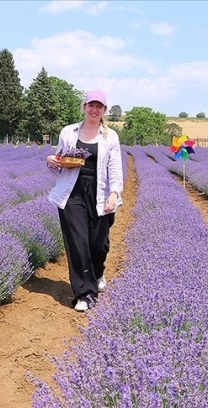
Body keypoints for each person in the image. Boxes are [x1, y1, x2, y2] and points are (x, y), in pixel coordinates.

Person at [47, 90, 124, 312]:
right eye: (91, 105)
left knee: (98, 244)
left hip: (100, 194)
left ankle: (98, 272)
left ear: (104, 111)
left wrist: (114, 193)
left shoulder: (110, 136)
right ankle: (85, 294)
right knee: (78, 243)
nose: (94, 109)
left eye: (99, 106)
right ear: (84, 107)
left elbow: (115, 168)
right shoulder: (68, 132)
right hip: (72, 193)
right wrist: (52, 161)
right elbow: (59, 161)